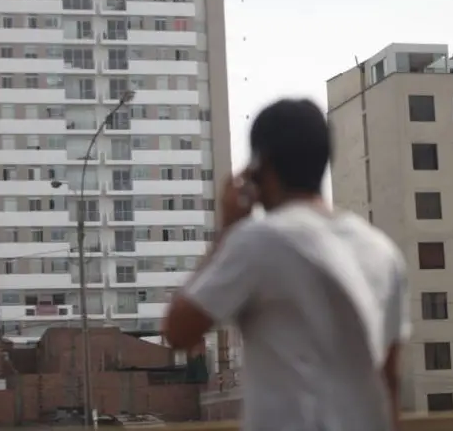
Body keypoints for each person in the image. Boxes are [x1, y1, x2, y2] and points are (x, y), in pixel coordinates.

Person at [162, 98, 411, 431]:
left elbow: (178, 331)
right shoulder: (382, 251)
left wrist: (226, 231)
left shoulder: (259, 241)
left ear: (259, 167)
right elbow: (390, 381)